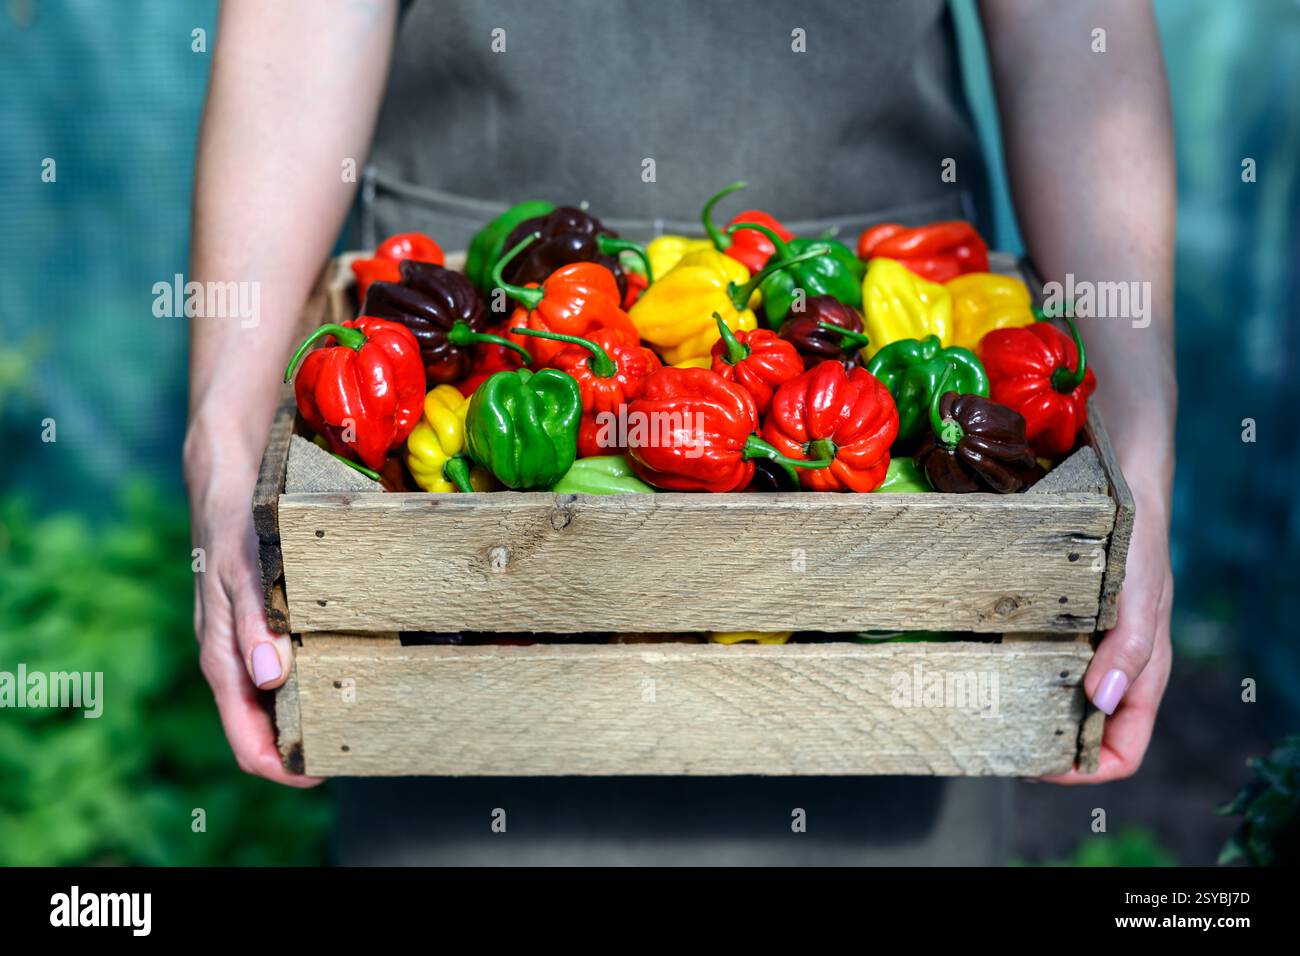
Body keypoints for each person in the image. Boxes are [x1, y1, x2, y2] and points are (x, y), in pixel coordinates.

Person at [187, 0, 1174, 863]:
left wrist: (1136, 445)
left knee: (889, 748)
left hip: (865, 337)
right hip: (467, 352)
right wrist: (223, 431)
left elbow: (1063, 15)